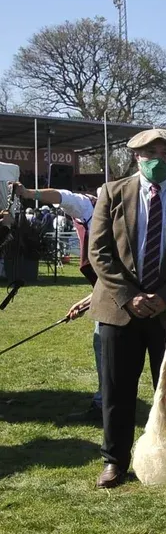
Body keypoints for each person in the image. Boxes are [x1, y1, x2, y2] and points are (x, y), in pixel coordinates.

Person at [89, 128, 166, 488]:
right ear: (136, 157)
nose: (158, 159)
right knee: (116, 391)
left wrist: (165, 295)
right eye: (150, 153)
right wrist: (129, 296)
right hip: (118, 310)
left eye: (165, 153)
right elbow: (99, 251)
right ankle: (114, 461)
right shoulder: (112, 193)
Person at [10, 181, 103, 423]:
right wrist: (87, 301)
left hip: (121, 294)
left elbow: (62, 196)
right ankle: (106, 402)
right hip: (110, 292)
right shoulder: (93, 214)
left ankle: (105, 404)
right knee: (104, 344)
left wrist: (29, 193)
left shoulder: (87, 206)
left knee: (105, 344)